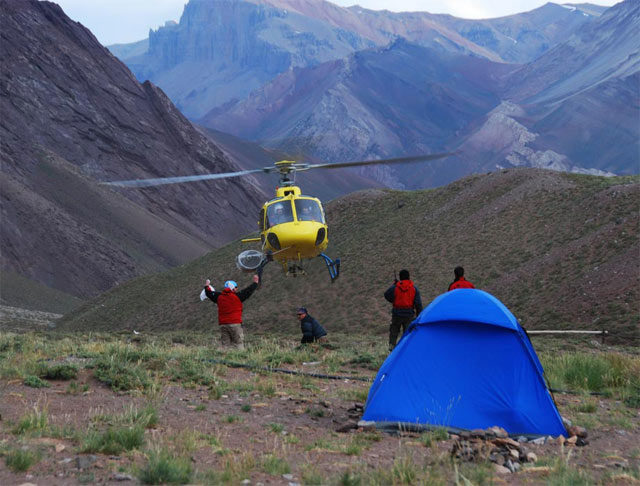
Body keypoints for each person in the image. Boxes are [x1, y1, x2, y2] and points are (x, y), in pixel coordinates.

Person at [204, 275, 259, 349]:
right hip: (235, 324)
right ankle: (240, 359)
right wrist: (255, 283)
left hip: (223, 325)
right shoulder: (238, 297)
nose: (237, 289)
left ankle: (225, 358)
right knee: (238, 344)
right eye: (236, 287)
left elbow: (209, 293)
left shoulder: (219, 297)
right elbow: (248, 291)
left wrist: (207, 286)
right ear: (233, 288)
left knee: (225, 346)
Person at [384, 269, 423, 351]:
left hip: (397, 314)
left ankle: (392, 348)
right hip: (409, 315)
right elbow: (418, 304)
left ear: (400, 277)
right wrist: (419, 316)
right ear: (409, 277)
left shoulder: (395, 287)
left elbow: (386, 294)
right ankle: (406, 350)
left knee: (394, 332)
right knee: (407, 334)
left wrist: (394, 288)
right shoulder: (414, 289)